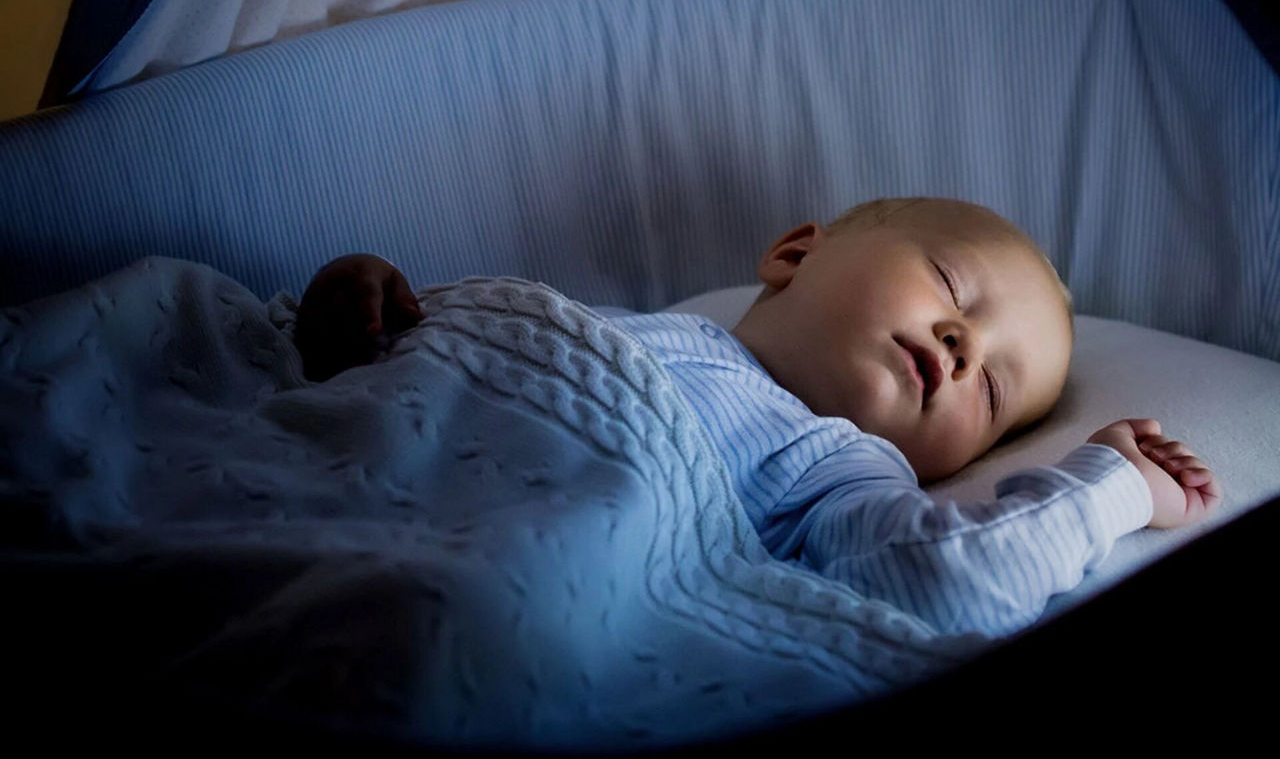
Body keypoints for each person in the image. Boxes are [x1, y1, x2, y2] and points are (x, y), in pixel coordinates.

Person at [291, 197, 1221, 637]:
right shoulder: (613, 329)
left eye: (992, 393)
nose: (963, 345)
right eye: (950, 284)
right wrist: (366, 297)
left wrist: (1113, 488)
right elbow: (448, 353)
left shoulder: (839, 470)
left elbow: (948, 575)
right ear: (793, 252)